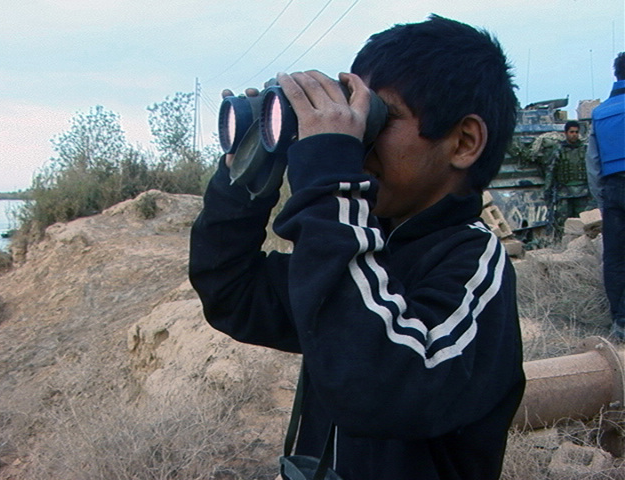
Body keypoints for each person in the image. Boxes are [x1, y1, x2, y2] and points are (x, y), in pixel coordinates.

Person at [189, 15, 525, 480]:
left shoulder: (475, 263)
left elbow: (383, 382)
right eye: (353, 112)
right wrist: (248, 171)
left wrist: (331, 174)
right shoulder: (367, 250)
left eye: (378, 116)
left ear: (463, 142)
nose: (359, 135)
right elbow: (230, 290)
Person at [586, 52, 625, 339]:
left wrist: (602, 199)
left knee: (614, 257)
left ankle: (619, 321)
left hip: (613, 190)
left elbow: (593, 163)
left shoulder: (600, 113)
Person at [544, 120, 591, 237]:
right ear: (565, 133)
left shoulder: (584, 149)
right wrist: (547, 190)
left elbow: (592, 170)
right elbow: (550, 171)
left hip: (582, 192)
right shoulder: (558, 149)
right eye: (571, 132)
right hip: (564, 193)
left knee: (582, 222)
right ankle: (561, 245)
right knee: (562, 222)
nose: (574, 134)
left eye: (576, 132)